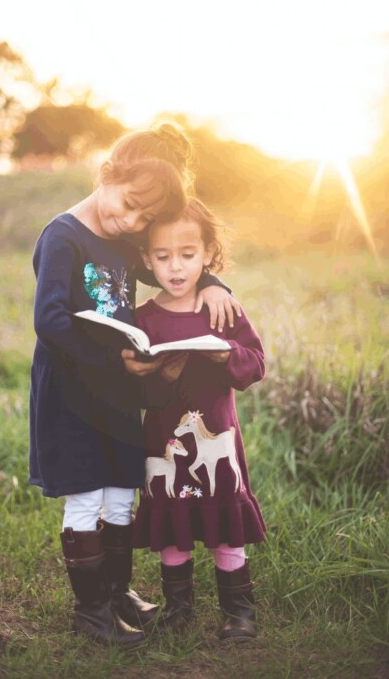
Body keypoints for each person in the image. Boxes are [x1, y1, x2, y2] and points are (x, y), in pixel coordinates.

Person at [29, 124, 241, 648]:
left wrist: (211, 281)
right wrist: (112, 359)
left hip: (120, 392)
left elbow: (169, 270)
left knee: (122, 493)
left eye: (144, 218)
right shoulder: (63, 235)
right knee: (85, 496)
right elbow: (50, 320)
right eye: (128, 206)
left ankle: (118, 593)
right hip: (73, 391)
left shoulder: (125, 240)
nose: (132, 222)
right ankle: (91, 611)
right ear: (106, 175)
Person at [132, 198, 266, 642]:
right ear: (146, 259)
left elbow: (255, 364)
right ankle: (178, 608)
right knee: (173, 526)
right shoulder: (143, 320)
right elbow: (133, 391)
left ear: (208, 253)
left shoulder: (222, 307)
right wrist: (160, 376)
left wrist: (226, 353)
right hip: (164, 442)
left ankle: (238, 611)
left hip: (217, 438)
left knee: (225, 525)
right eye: (162, 256)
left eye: (187, 255)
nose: (175, 267)